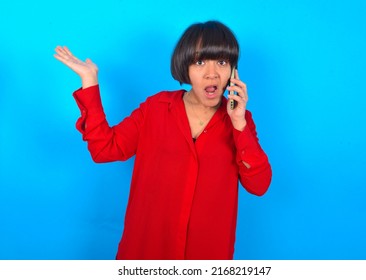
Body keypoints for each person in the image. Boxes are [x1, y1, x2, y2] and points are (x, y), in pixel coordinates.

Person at [54, 20, 272, 260]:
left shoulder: (240, 121)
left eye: (222, 62)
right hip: (146, 253)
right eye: (200, 62)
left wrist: (239, 123)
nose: (212, 73)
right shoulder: (156, 109)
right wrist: (90, 82)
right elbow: (104, 149)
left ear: (232, 70)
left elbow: (259, 185)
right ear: (185, 67)